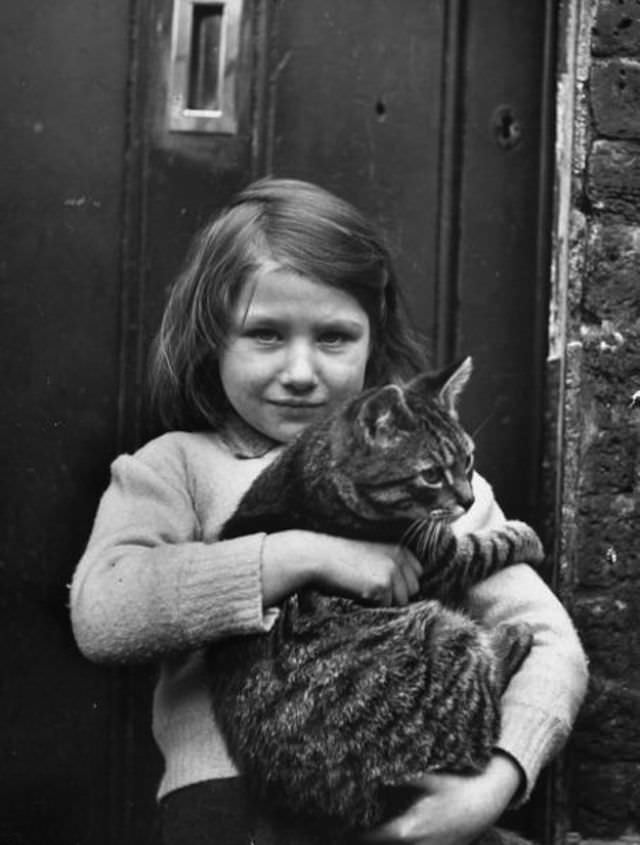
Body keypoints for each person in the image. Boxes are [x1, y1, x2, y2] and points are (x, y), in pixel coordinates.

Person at [70, 178, 588, 845]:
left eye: (335, 337)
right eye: (265, 334)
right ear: (210, 341)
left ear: (375, 340)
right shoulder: (178, 466)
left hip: (421, 805)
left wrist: (497, 782)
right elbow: (104, 611)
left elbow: (551, 641)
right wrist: (298, 554)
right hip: (232, 814)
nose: (301, 370)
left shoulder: (436, 483)